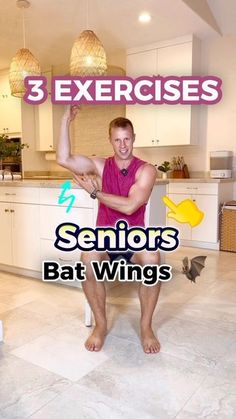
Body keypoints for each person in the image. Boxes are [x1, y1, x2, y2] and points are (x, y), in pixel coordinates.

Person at [56, 106, 161, 354]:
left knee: (153, 260)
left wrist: (95, 193)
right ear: (110, 141)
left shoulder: (146, 170)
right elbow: (63, 159)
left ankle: (146, 327)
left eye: (127, 139)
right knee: (87, 258)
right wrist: (65, 120)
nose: (122, 145)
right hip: (104, 240)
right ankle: (101, 326)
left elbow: (130, 206)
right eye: (117, 140)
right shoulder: (100, 166)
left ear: (133, 138)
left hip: (134, 240)